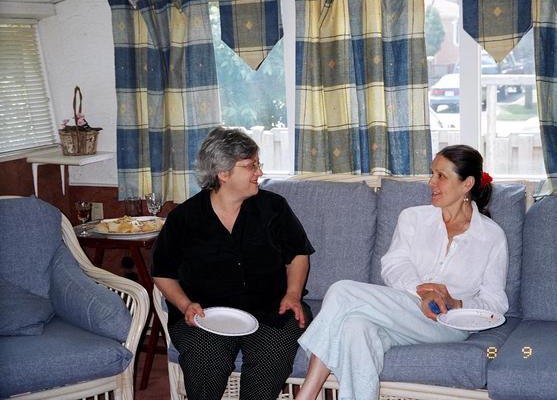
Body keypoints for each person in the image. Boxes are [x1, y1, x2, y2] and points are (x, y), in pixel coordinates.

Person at [295, 144, 509, 400]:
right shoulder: (413, 218)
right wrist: (424, 292)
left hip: (447, 323)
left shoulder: (491, 236)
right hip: (403, 310)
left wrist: (455, 302)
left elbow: (495, 303)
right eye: (432, 173)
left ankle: (305, 395)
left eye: (441, 176)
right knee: (355, 326)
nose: (431, 182)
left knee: (341, 291)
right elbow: (394, 265)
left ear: (467, 184)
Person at [152, 127, 314, 400]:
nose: (259, 172)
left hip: (272, 309)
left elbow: (298, 253)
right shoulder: (185, 218)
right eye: (251, 166)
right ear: (223, 173)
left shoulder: (274, 208)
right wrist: (185, 305)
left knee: (271, 356)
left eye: (257, 164)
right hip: (206, 314)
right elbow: (163, 273)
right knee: (205, 357)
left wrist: (293, 294)